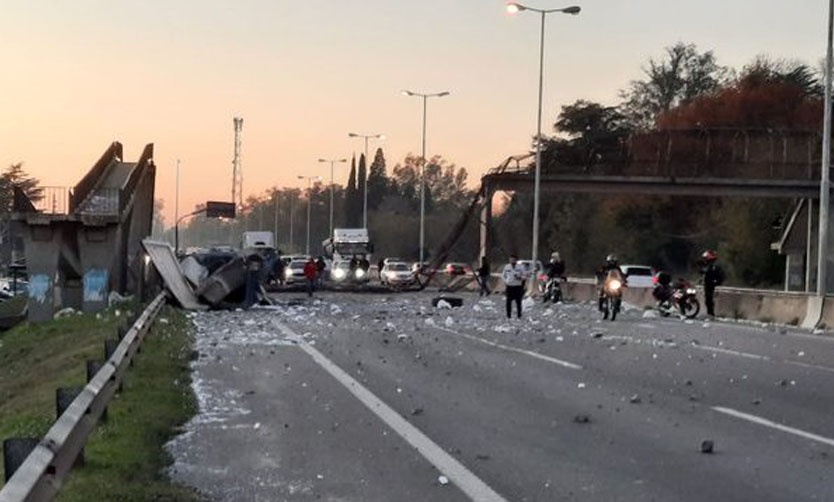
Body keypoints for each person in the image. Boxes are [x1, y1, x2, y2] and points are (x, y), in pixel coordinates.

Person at [699, 250, 725, 318]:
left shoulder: (713, 266)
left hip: (711, 283)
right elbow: (702, 272)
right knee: (708, 299)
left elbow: (716, 274)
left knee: (709, 299)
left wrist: (716, 281)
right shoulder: (707, 266)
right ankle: (710, 313)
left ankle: (711, 313)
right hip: (708, 283)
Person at [501, 254, 527, 319]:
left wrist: (520, 277)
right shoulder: (507, 267)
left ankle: (519, 315)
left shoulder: (520, 267)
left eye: (513, 259)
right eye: (511, 259)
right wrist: (506, 281)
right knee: (508, 302)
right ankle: (508, 315)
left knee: (518, 302)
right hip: (509, 286)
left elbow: (525, 276)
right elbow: (503, 275)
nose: (512, 261)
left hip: (517, 286)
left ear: (516, 260)